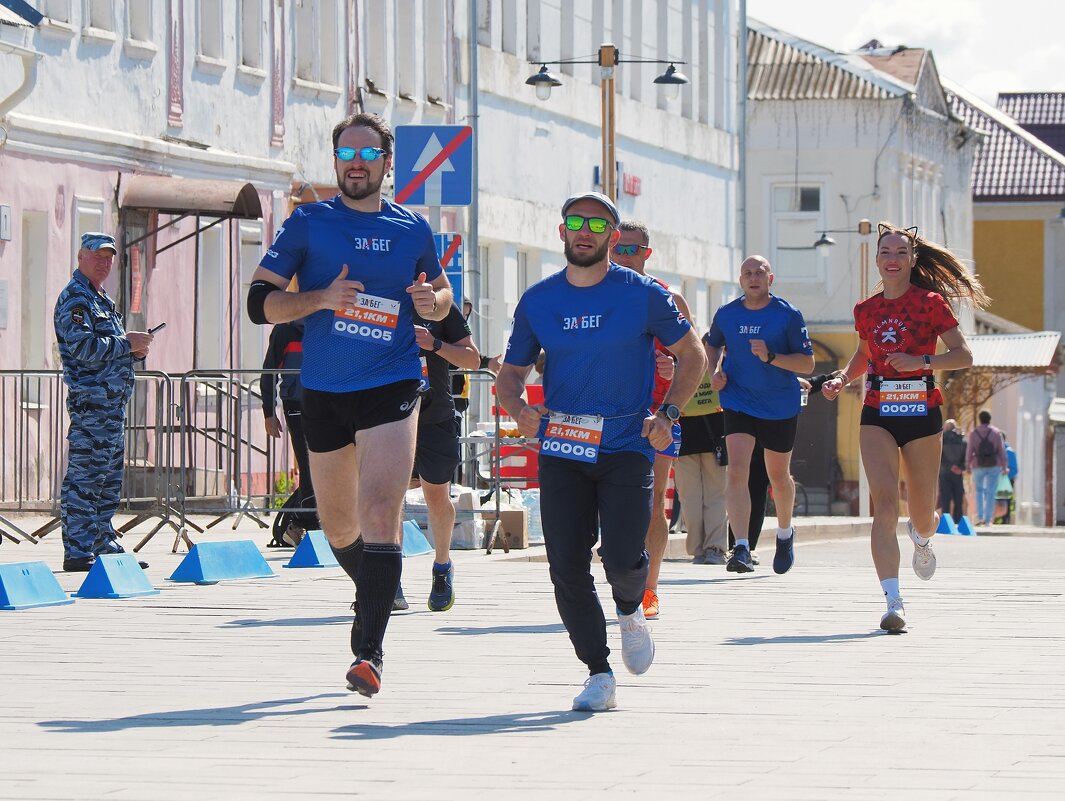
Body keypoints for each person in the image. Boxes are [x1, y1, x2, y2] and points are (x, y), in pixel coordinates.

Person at [247, 112, 452, 698]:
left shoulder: (413, 228)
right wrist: (320, 299)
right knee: (340, 526)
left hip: (390, 383)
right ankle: (378, 584)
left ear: (388, 164)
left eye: (367, 155)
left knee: (382, 508)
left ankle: (370, 654)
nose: (355, 164)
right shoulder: (308, 223)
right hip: (326, 390)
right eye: (345, 154)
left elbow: (442, 296)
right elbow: (258, 304)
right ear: (336, 161)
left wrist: (430, 303)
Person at [495, 191, 706, 712]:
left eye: (596, 223)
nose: (584, 230)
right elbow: (510, 373)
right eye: (575, 221)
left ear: (614, 237)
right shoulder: (539, 300)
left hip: (625, 444)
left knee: (621, 555)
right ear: (561, 232)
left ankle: (631, 611)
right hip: (563, 447)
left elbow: (692, 354)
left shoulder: (643, 295)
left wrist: (670, 415)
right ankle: (598, 670)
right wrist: (517, 409)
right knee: (565, 563)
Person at [822, 223, 987, 632]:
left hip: (921, 412)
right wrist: (843, 377)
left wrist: (922, 363)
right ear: (877, 259)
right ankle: (894, 601)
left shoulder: (930, 303)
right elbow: (863, 353)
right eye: (885, 252)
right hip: (877, 411)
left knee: (922, 511)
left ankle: (923, 535)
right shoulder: (866, 309)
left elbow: (963, 355)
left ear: (913, 260)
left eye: (900, 252)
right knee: (884, 501)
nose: (892, 259)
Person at [703, 255, 814, 576]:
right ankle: (740, 546)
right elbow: (712, 346)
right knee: (737, 469)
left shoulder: (787, 315)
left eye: (760, 272)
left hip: (779, 404)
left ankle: (784, 533)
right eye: (747, 273)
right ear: (741, 280)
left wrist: (771, 357)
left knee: (778, 476)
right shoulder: (727, 314)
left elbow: (806, 365)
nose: (753, 277)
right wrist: (714, 373)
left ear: (770, 279)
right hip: (738, 399)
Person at [54, 232, 154, 572]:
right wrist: (127, 344)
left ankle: (102, 542)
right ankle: (79, 550)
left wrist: (133, 351)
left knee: (108, 480)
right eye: (98, 255)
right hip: (92, 406)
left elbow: (109, 349)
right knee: (85, 479)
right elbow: (83, 348)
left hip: (112, 406)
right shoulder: (76, 299)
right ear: (81, 256)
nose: (105, 262)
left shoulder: (101, 299)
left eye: (110, 257)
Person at [610, 220, 694, 618]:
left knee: (653, 501)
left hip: (657, 415)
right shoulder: (591, 294)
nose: (624, 255)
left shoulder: (668, 299)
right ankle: (622, 572)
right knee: (606, 501)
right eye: (618, 248)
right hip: (605, 414)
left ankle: (650, 589)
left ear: (647, 253)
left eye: (632, 249)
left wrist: (670, 370)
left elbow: (696, 361)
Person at [412, 303, 481, 611]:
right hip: (384, 416)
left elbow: (472, 359)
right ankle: (387, 576)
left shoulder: (437, 305)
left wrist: (434, 344)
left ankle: (442, 567)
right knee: (384, 499)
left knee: (436, 496)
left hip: (434, 415)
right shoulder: (372, 294)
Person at [261, 319, 320, 546]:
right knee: (308, 467)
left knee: (328, 468)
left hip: (327, 405)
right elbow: (269, 372)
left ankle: (297, 521)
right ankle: (305, 525)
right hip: (296, 405)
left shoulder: (329, 323)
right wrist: (269, 412)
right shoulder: (285, 330)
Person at [672, 370, 729, 565]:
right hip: (716, 436)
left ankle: (697, 549)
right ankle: (715, 548)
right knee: (716, 496)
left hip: (683, 437)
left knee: (690, 498)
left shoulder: (679, 365)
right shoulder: (719, 367)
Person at [966, 409, 1008, 526]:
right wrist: (1004, 466)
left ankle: (979, 517)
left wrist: (968, 465)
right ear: (990, 419)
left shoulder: (974, 433)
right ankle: (988, 519)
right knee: (991, 492)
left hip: (977, 464)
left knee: (979, 491)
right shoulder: (996, 432)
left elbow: (970, 450)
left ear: (980, 419)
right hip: (994, 465)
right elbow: (1001, 450)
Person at [938, 418, 967, 525]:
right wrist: (960, 468)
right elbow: (966, 457)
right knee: (958, 499)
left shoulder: (942, 440)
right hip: (958, 474)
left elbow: (940, 457)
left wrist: (950, 466)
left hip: (945, 473)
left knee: (945, 499)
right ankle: (957, 521)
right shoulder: (962, 440)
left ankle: (946, 522)